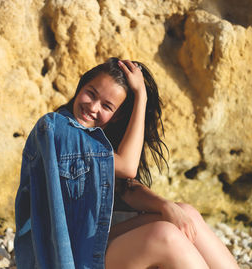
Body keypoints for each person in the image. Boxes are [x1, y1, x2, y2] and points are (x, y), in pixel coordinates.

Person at [14, 57, 239, 269]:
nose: (93, 107)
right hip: (61, 257)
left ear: (118, 116)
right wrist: (141, 96)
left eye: (107, 106)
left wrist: (166, 205)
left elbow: (126, 186)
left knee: (184, 212)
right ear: (80, 86)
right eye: (90, 94)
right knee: (164, 235)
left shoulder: (95, 138)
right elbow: (127, 167)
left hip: (87, 243)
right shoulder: (55, 128)